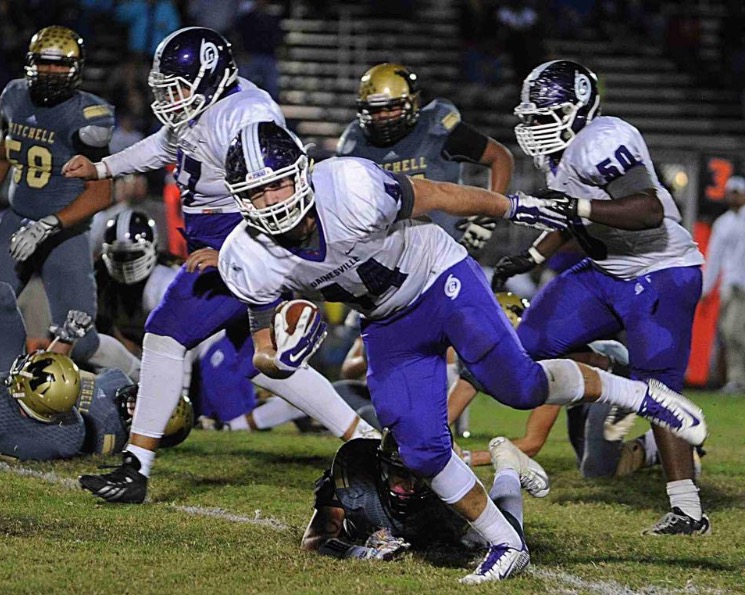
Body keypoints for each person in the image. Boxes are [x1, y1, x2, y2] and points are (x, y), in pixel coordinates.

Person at [216, 121, 706, 583]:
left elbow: (435, 194)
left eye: (277, 184)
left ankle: (637, 393)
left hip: (438, 274)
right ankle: (505, 545)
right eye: (256, 193)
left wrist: (512, 206)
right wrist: (275, 357)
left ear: (300, 171)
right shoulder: (246, 256)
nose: (271, 201)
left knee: (519, 387)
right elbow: (262, 336)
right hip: (388, 321)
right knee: (422, 450)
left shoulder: (348, 185)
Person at [63, 27, 378, 504]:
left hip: (242, 236)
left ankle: (137, 465)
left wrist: (236, 249)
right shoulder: (202, 108)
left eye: (179, 86)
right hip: (219, 236)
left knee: (165, 334)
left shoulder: (247, 116)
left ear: (211, 75)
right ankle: (367, 443)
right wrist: (104, 168)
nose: (171, 98)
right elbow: (165, 146)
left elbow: (276, 191)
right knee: (262, 362)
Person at [493, 59, 709, 535]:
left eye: (547, 112)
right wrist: (530, 255)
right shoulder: (560, 151)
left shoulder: (603, 139)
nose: (536, 124)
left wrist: (578, 208)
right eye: (532, 114)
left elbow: (649, 211)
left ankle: (687, 508)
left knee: (661, 392)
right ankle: (608, 369)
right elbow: (572, 217)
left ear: (581, 107)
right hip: (606, 270)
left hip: (661, 271)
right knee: (527, 347)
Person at [0, 25, 140, 377]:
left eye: (61, 65)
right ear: (31, 64)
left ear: (76, 69)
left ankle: (141, 376)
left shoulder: (88, 116)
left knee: (79, 335)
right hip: (17, 220)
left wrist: (50, 224)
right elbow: (5, 153)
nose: (52, 72)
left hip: (66, 232)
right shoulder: (13, 96)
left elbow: (100, 191)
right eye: (45, 63)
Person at [337, 62, 513, 249]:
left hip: (447, 250)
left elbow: (500, 157)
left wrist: (487, 217)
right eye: (375, 110)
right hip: (388, 257)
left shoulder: (436, 129)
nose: (383, 116)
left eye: (391, 108)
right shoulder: (355, 145)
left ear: (412, 103)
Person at [301, 431, 542, 561]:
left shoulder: (446, 497)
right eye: (399, 474)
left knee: (508, 537)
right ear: (381, 466)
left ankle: (508, 466)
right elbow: (314, 540)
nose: (409, 485)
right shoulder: (356, 473)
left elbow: (456, 548)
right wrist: (361, 553)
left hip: (439, 522)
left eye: (420, 476)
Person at [700, 175, 745, 394]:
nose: (732, 197)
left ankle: (738, 379)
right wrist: (706, 288)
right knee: (731, 333)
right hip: (732, 285)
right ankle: (737, 379)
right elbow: (715, 258)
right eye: (730, 192)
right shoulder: (723, 223)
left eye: (736, 192)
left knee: (735, 332)